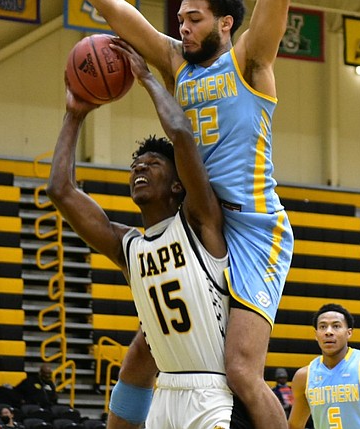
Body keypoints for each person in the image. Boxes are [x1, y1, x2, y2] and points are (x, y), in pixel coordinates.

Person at [6, 0, 299, 428]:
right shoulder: (172, 62)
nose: (182, 27)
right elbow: (110, 2)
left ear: (227, 24)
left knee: (239, 368)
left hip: (253, 226)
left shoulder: (251, 61)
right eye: (179, 18)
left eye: (194, 19)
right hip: (195, 216)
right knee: (145, 350)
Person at [46, 40, 244, 428]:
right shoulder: (129, 247)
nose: (140, 168)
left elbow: (183, 136)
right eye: (136, 164)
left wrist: (148, 79)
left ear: (176, 185)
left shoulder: (201, 223)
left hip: (213, 392)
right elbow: (60, 190)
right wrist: (74, 114)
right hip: (165, 392)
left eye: (153, 164)